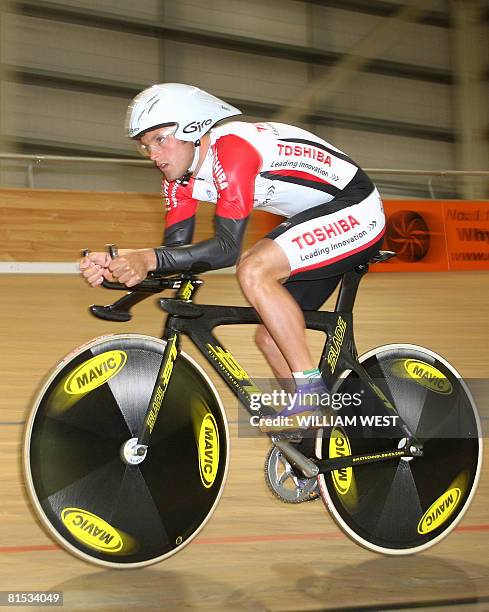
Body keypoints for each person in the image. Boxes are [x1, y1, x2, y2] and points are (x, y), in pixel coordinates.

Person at [80, 83, 386, 429]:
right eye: (145, 146)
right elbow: (177, 256)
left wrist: (148, 259)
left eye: (160, 139)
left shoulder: (233, 148)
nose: (153, 154)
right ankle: (320, 438)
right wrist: (121, 266)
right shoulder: (177, 180)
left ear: (192, 129)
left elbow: (227, 249)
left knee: (253, 269)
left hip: (356, 208)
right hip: (319, 217)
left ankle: (310, 394)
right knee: (272, 339)